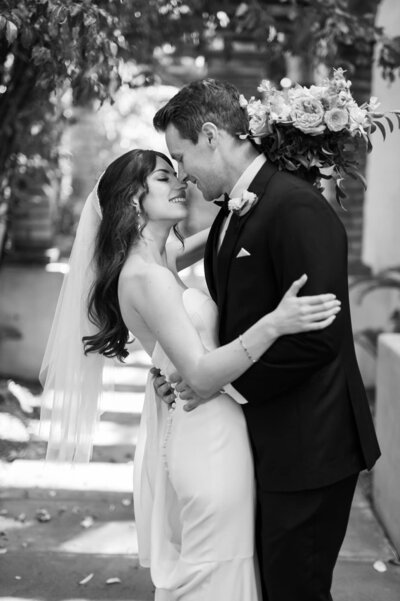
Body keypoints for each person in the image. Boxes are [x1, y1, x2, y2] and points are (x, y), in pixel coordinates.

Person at [40, 148, 341, 601]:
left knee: (218, 568)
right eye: (165, 176)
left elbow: (223, 233)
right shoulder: (146, 276)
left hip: (210, 430)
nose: (181, 181)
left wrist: (262, 193)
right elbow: (199, 372)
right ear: (132, 200)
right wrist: (275, 323)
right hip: (207, 438)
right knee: (212, 574)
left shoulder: (161, 259)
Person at [152, 79, 381, 601]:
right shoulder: (235, 212)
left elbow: (316, 339)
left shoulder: (296, 207)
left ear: (211, 136)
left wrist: (220, 385)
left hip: (310, 447)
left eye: (180, 156)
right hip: (267, 445)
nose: (181, 172)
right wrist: (186, 371)